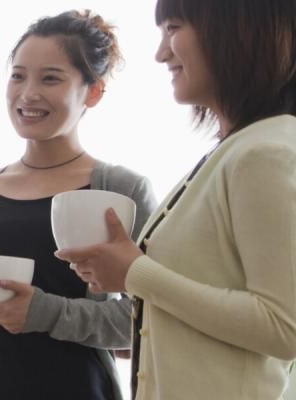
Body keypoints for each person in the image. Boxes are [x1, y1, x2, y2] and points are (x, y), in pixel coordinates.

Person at [57, 1, 296, 399]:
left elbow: (284, 327)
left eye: (173, 28)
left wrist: (136, 274)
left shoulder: (265, 153)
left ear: (238, 32)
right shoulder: (238, 150)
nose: (161, 52)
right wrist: (123, 274)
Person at [0, 10, 157, 400]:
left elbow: (150, 320)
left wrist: (45, 313)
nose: (28, 93)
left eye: (50, 78)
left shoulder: (122, 190)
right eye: (18, 75)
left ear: (94, 92)